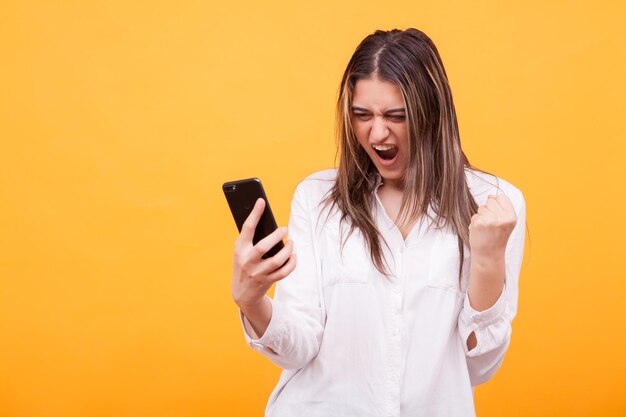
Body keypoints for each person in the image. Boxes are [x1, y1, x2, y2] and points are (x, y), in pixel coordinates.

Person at [230, 28, 526, 417]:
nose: (378, 132)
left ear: (432, 114)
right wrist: (252, 301)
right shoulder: (317, 199)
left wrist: (488, 261)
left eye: (396, 116)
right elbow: (298, 348)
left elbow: (477, 367)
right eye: (362, 115)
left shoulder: (494, 207)